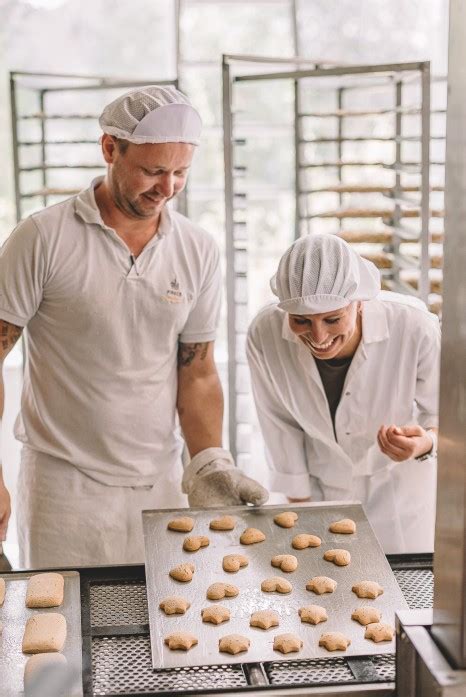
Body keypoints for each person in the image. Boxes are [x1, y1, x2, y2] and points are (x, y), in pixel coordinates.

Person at [0, 85, 267, 568]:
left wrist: (208, 462)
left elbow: (199, 370)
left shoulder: (198, 249)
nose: (167, 189)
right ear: (109, 148)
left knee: (168, 631)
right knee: (62, 635)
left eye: (180, 172)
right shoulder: (41, 238)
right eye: (153, 171)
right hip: (63, 490)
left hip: (160, 484)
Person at [247, 234, 440, 553]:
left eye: (333, 319)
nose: (318, 335)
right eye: (301, 321)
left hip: (400, 500)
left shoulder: (414, 327)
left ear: (360, 301)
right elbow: (278, 422)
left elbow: (449, 416)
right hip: (321, 493)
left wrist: (424, 442)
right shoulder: (264, 333)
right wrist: (300, 507)